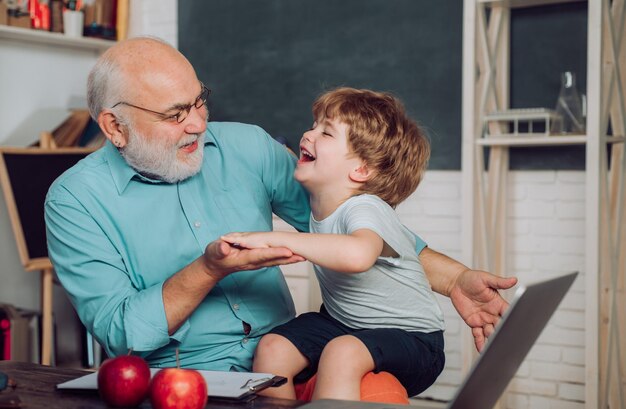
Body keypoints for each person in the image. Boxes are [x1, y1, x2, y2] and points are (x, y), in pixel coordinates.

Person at [44, 37, 516, 378]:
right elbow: (121, 332)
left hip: (295, 354)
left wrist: (454, 279)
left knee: (381, 395)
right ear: (115, 127)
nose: (199, 124)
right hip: (188, 377)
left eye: (199, 101)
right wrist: (209, 268)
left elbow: (354, 231)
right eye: (175, 115)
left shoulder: (248, 146)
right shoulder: (74, 201)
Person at [221, 87, 445, 401]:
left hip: (416, 342)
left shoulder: (365, 207)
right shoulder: (320, 203)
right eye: (314, 125)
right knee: (273, 349)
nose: (308, 134)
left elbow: (358, 256)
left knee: (342, 353)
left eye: (325, 133)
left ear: (361, 169)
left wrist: (275, 238)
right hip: (346, 324)